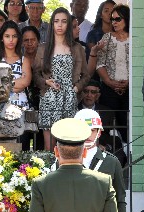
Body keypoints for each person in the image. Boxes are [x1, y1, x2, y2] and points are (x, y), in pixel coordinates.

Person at [32, 7, 89, 150]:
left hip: (69, 98)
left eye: (64, 21)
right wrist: (46, 82)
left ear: (68, 24)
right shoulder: (43, 48)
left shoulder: (77, 48)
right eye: (56, 21)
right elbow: (35, 74)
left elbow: (86, 75)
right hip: (49, 98)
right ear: (52, 24)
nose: (60, 25)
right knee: (49, 146)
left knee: (68, 144)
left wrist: (76, 88)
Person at [95, 4, 129, 143]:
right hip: (109, 89)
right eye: (112, 19)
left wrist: (129, 82)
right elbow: (100, 64)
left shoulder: (135, 38)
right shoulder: (107, 38)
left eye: (118, 19)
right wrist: (109, 82)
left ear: (126, 19)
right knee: (108, 124)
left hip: (130, 89)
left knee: (127, 124)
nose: (114, 22)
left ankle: (128, 151)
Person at [0, 20, 31, 109]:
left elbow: (25, 82)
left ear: (18, 38)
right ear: (2, 38)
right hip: (0, 108)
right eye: (7, 36)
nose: (11, 40)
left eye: (14, 36)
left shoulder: (24, 60)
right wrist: (18, 84)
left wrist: (1, 84)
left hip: (21, 106)